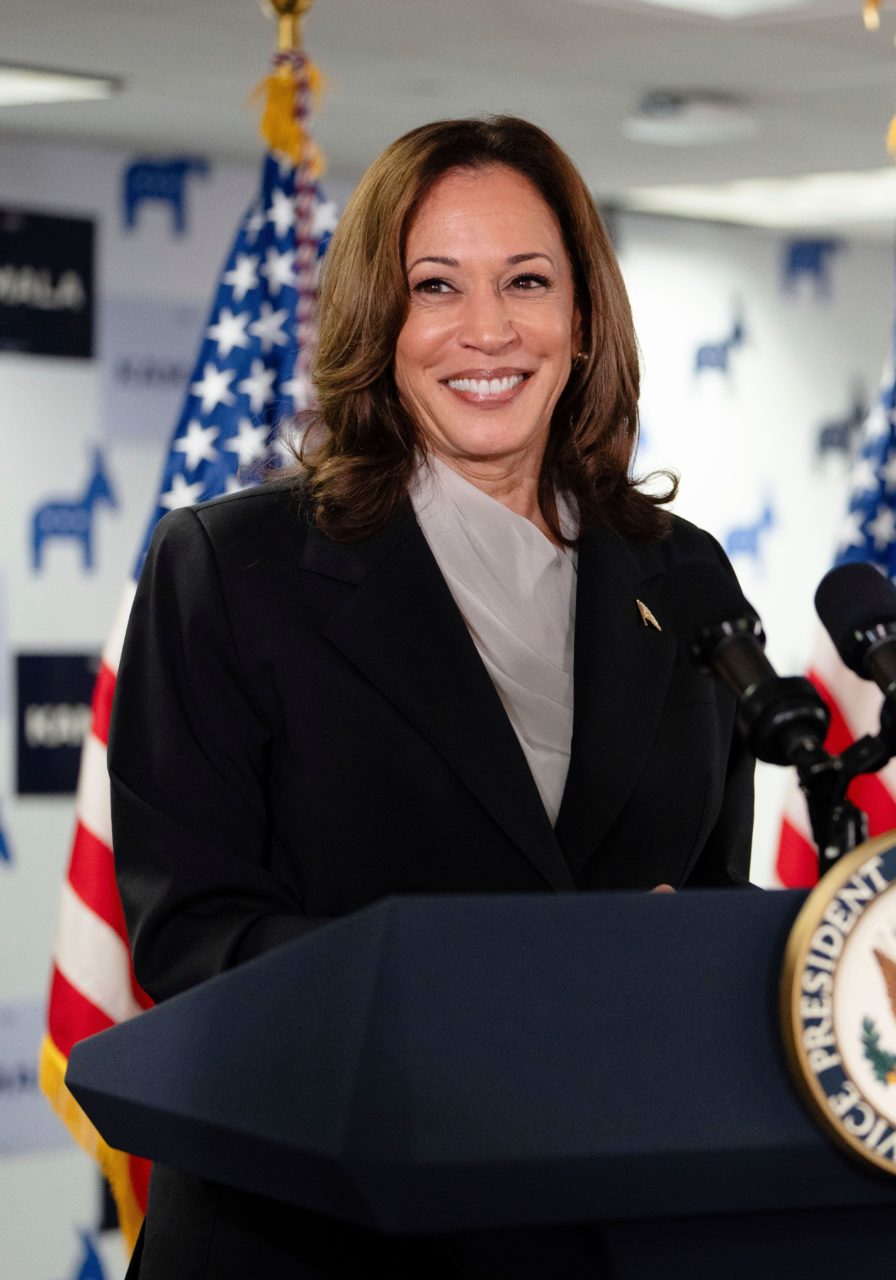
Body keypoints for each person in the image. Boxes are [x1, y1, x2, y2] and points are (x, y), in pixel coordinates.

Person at [112, 116, 754, 1279]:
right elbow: (194, 934)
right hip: (311, 1235)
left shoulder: (680, 569)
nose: (489, 329)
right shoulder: (232, 568)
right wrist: (511, 980)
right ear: (379, 320)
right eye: (436, 286)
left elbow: (707, 890)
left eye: (527, 281)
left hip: (601, 1228)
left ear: (584, 315)